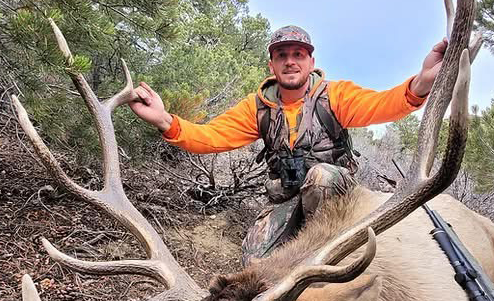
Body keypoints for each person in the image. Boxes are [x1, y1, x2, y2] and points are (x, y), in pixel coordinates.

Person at [130, 25, 448, 264]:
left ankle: (327, 255)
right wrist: (164, 120)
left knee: (321, 178)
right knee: (254, 263)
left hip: (338, 199)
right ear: (271, 65)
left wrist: (421, 82)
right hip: (288, 199)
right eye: (282, 55)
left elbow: (384, 104)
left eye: (298, 54)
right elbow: (210, 136)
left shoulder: (335, 96)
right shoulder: (258, 108)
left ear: (311, 61)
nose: (290, 61)